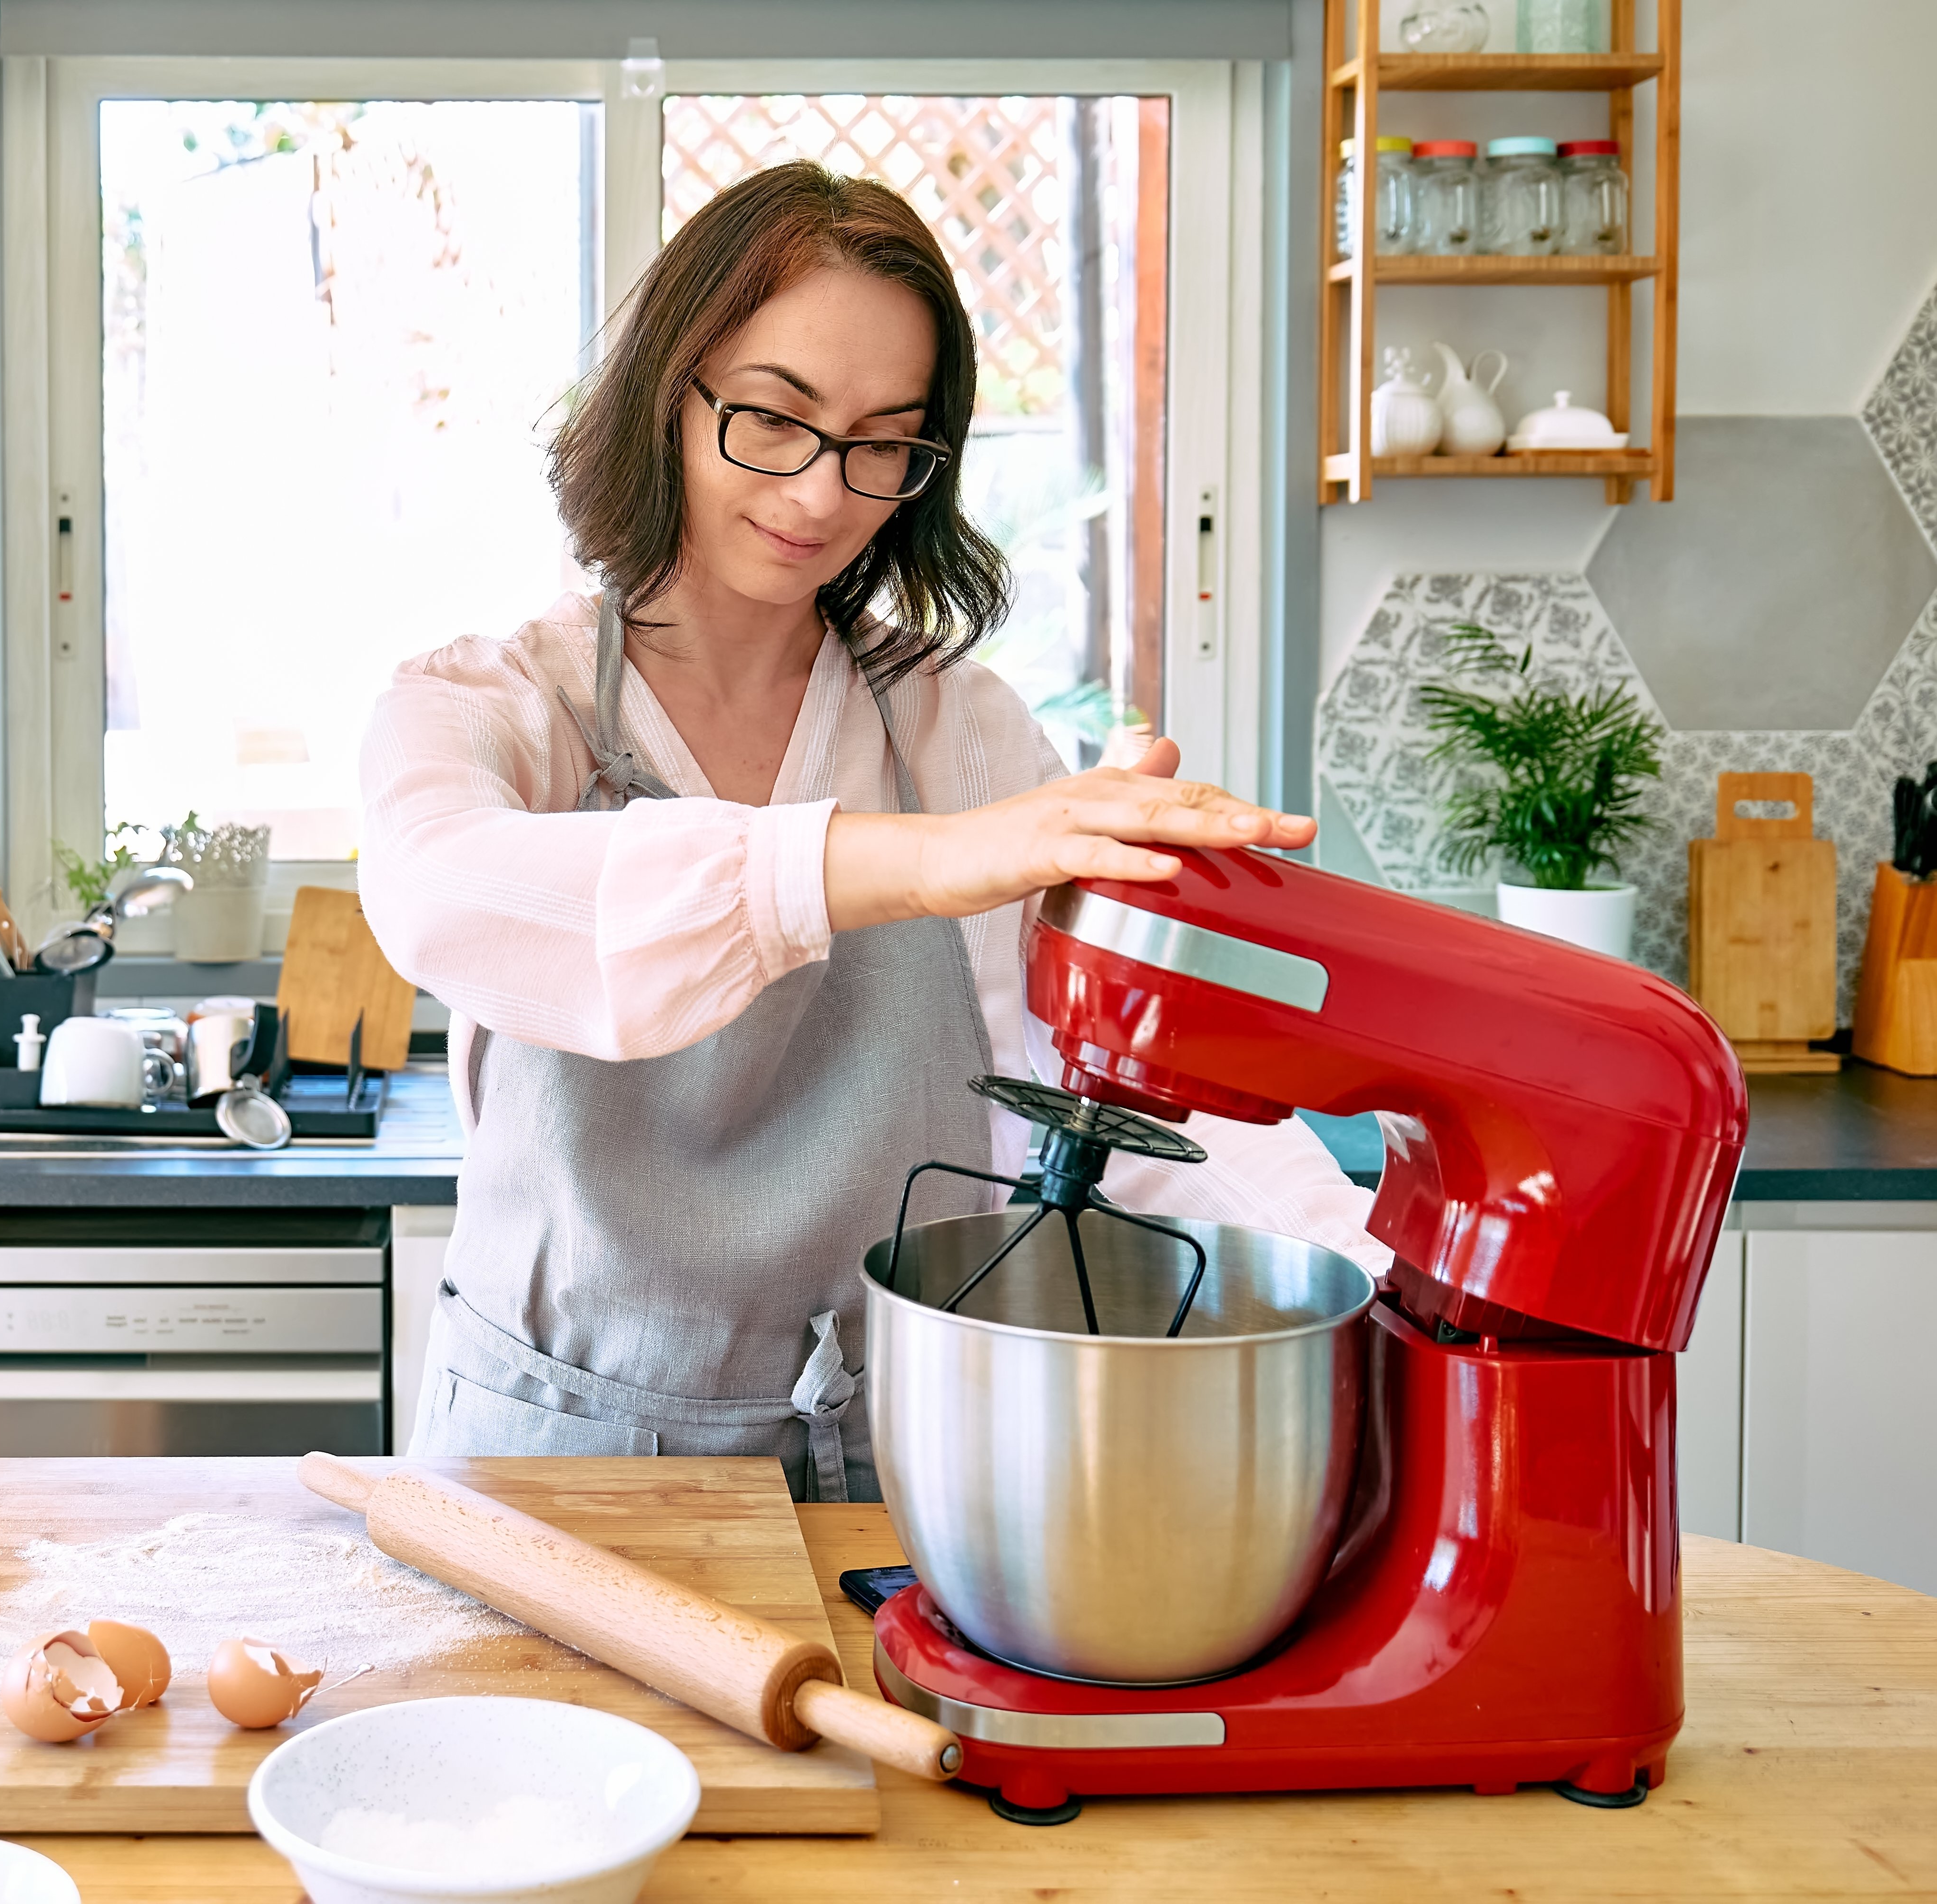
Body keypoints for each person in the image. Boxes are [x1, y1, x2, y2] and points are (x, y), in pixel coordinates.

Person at [357, 162, 1386, 1504]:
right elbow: (446, 893)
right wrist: (914, 863)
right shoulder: (501, 706)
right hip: (553, 1467)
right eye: (775, 420)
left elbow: (1126, 1094)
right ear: (671, 393)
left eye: (881, 442)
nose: (822, 494)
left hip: (894, 1468)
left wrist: (1387, 1285)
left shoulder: (955, 733)